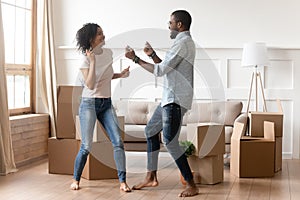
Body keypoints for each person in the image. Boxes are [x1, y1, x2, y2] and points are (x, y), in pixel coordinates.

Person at [125, 10, 198, 197]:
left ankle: (191, 184)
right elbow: (166, 68)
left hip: (176, 98)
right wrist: (152, 55)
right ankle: (151, 177)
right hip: (170, 98)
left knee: (170, 142)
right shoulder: (182, 43)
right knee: (150, 130)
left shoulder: (183, 43)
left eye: (171, 23)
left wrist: (135, 59)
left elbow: (159, 71)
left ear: (179, 25)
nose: (169, 26)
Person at [71, 23, 131, 192]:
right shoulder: (85, 59)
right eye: (99, 34)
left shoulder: (109, 53)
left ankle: (122, 182)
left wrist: (121, 75)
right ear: (90, 39)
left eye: (102, 32)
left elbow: (107, 75)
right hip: (89, 104)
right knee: (87, 146)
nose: (103, 36)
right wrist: (92, 61)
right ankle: (76, 179)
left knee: (118, 142)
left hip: (106, 103)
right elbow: (90, 84)